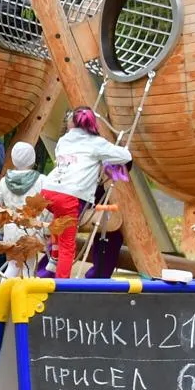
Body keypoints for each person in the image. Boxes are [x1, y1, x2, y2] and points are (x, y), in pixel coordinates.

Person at [40, 106, 132, 278]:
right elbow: (125, 156)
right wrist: (105, 159)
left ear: (72, 124)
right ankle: (62, 285)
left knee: (58, 223)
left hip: (49, 191)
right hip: (70, 196)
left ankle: (53, 256)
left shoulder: (64, 141)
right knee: (68, 245)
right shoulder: (97, 143)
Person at [0, 142, 49, 293]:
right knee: (28, 267)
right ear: (33, 158)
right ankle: (27, 302)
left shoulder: (4, 181)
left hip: (11, 230)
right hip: (32, 230)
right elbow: (47, 205)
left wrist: (2, 222)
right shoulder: (42, 180)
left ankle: (3, 299)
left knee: (12, 266)